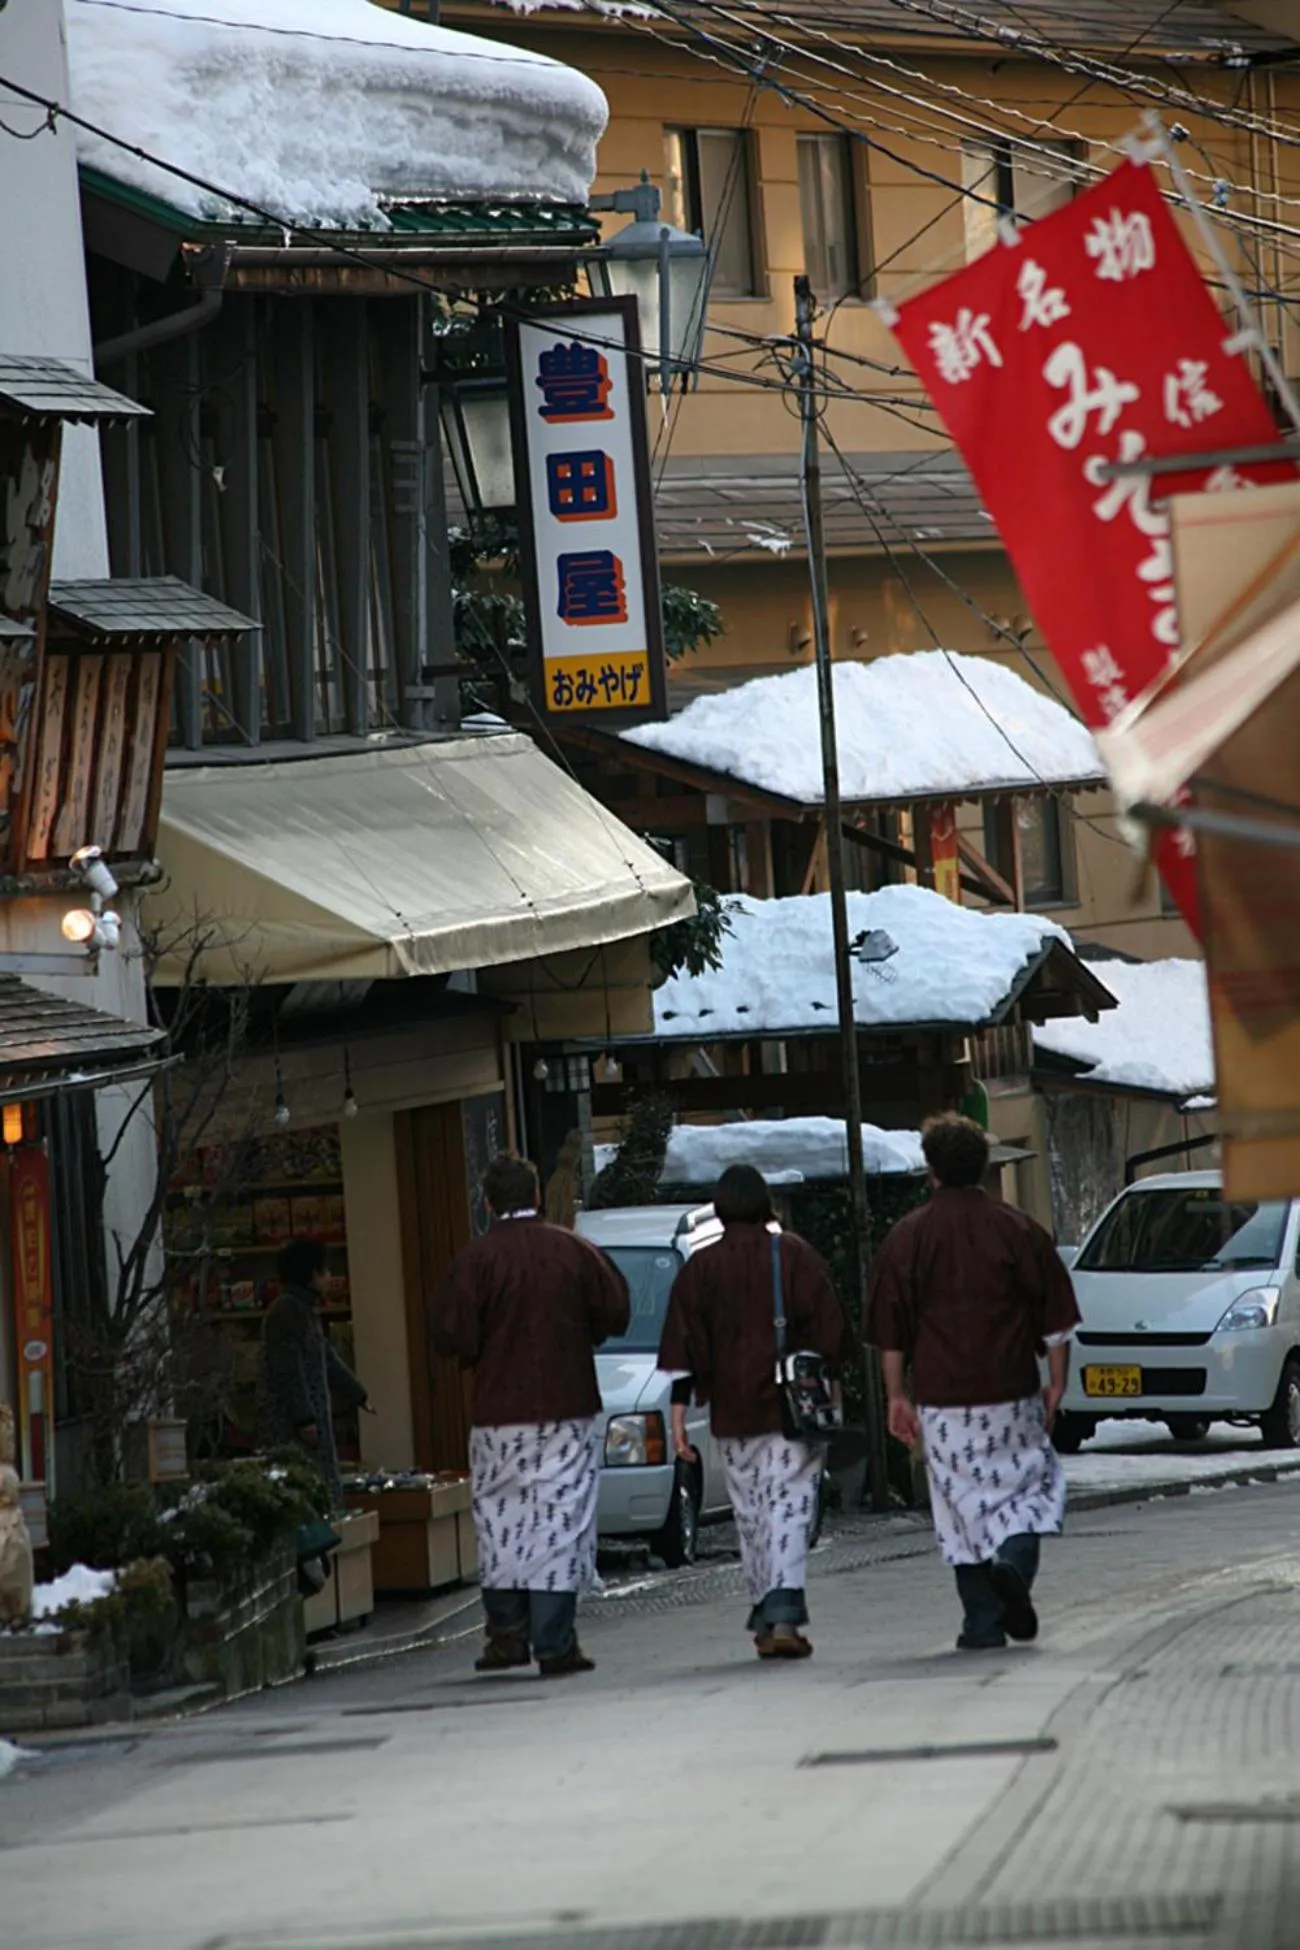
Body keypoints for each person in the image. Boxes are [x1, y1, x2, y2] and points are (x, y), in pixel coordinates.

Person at [866, 1113, 1080, 1652]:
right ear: (984, 1167)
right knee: (1029, 1487)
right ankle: (1013, 1559)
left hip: (942, 1396)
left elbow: (891, 1330)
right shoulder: (1019, 1229)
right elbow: (1056, 1322)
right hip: (1010, 1387)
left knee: (959, 1504)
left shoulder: (907, 1237)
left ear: (931, 1169)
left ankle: (982, 1622)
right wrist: (1056, 1383)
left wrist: (896, 1395)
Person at [430, 1152, 629, 1679]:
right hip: (567, 1403)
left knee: (500, 1519)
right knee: (561, 1519)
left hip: (498, 1410)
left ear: (488, 1203)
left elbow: (451, 1333)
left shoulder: (475, 1260)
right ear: (538, 1195)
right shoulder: (574, 1251)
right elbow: (614, 1311)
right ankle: (555, 1640)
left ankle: (506, 1635)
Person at [657, 1164, 851, 1661]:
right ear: (766, 1203)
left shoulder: (700, 1268)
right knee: (788, 1508)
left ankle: (766, 1614)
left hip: (732, 1414)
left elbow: (684, 1354)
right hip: (790, 1411)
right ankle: (782, 1614)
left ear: (720, 1208)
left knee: (752, 1517)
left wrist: (679, 1422)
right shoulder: (794, 1256)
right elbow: (832, 1334)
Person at [257, 1236, 368, 1510]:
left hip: (307, 1424)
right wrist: (304, 1417)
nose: (330, 1276)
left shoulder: (304, 1310)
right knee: (304, 1494)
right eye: (325, 1270)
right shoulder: (287, 1311)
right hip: (293, 1429)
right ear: (310, 1274)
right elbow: (288, 1369)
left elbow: (327, 1358)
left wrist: (358, 1394)